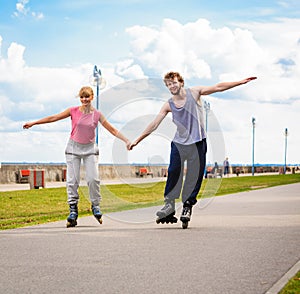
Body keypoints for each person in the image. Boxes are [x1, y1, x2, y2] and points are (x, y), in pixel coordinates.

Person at [129, 72, 256, 228]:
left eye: (173, 83)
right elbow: (155, 124)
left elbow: (218, 87)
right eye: (168, 85)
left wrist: (240, 82)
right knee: (174, 170)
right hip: (179, 142)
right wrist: (137, 139)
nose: (171, 86)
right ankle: (169, 204)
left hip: (197, 142)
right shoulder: (169, 104)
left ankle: (187, 205)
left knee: (194, 176)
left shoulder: (194, 93)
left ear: (181, 82)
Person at [23, 86, 131, 227]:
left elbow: (112, 129)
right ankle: (73, 209)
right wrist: (34, 123)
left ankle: (95, 205)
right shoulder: (72, 111)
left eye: (87, 96)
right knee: (72, 181)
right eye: (82, 97)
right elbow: (53, 117)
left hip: (90, 149)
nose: (84, 99)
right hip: (73, 149)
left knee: (93, 179)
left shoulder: (97, 114)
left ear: (92, 97)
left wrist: (126, 140)